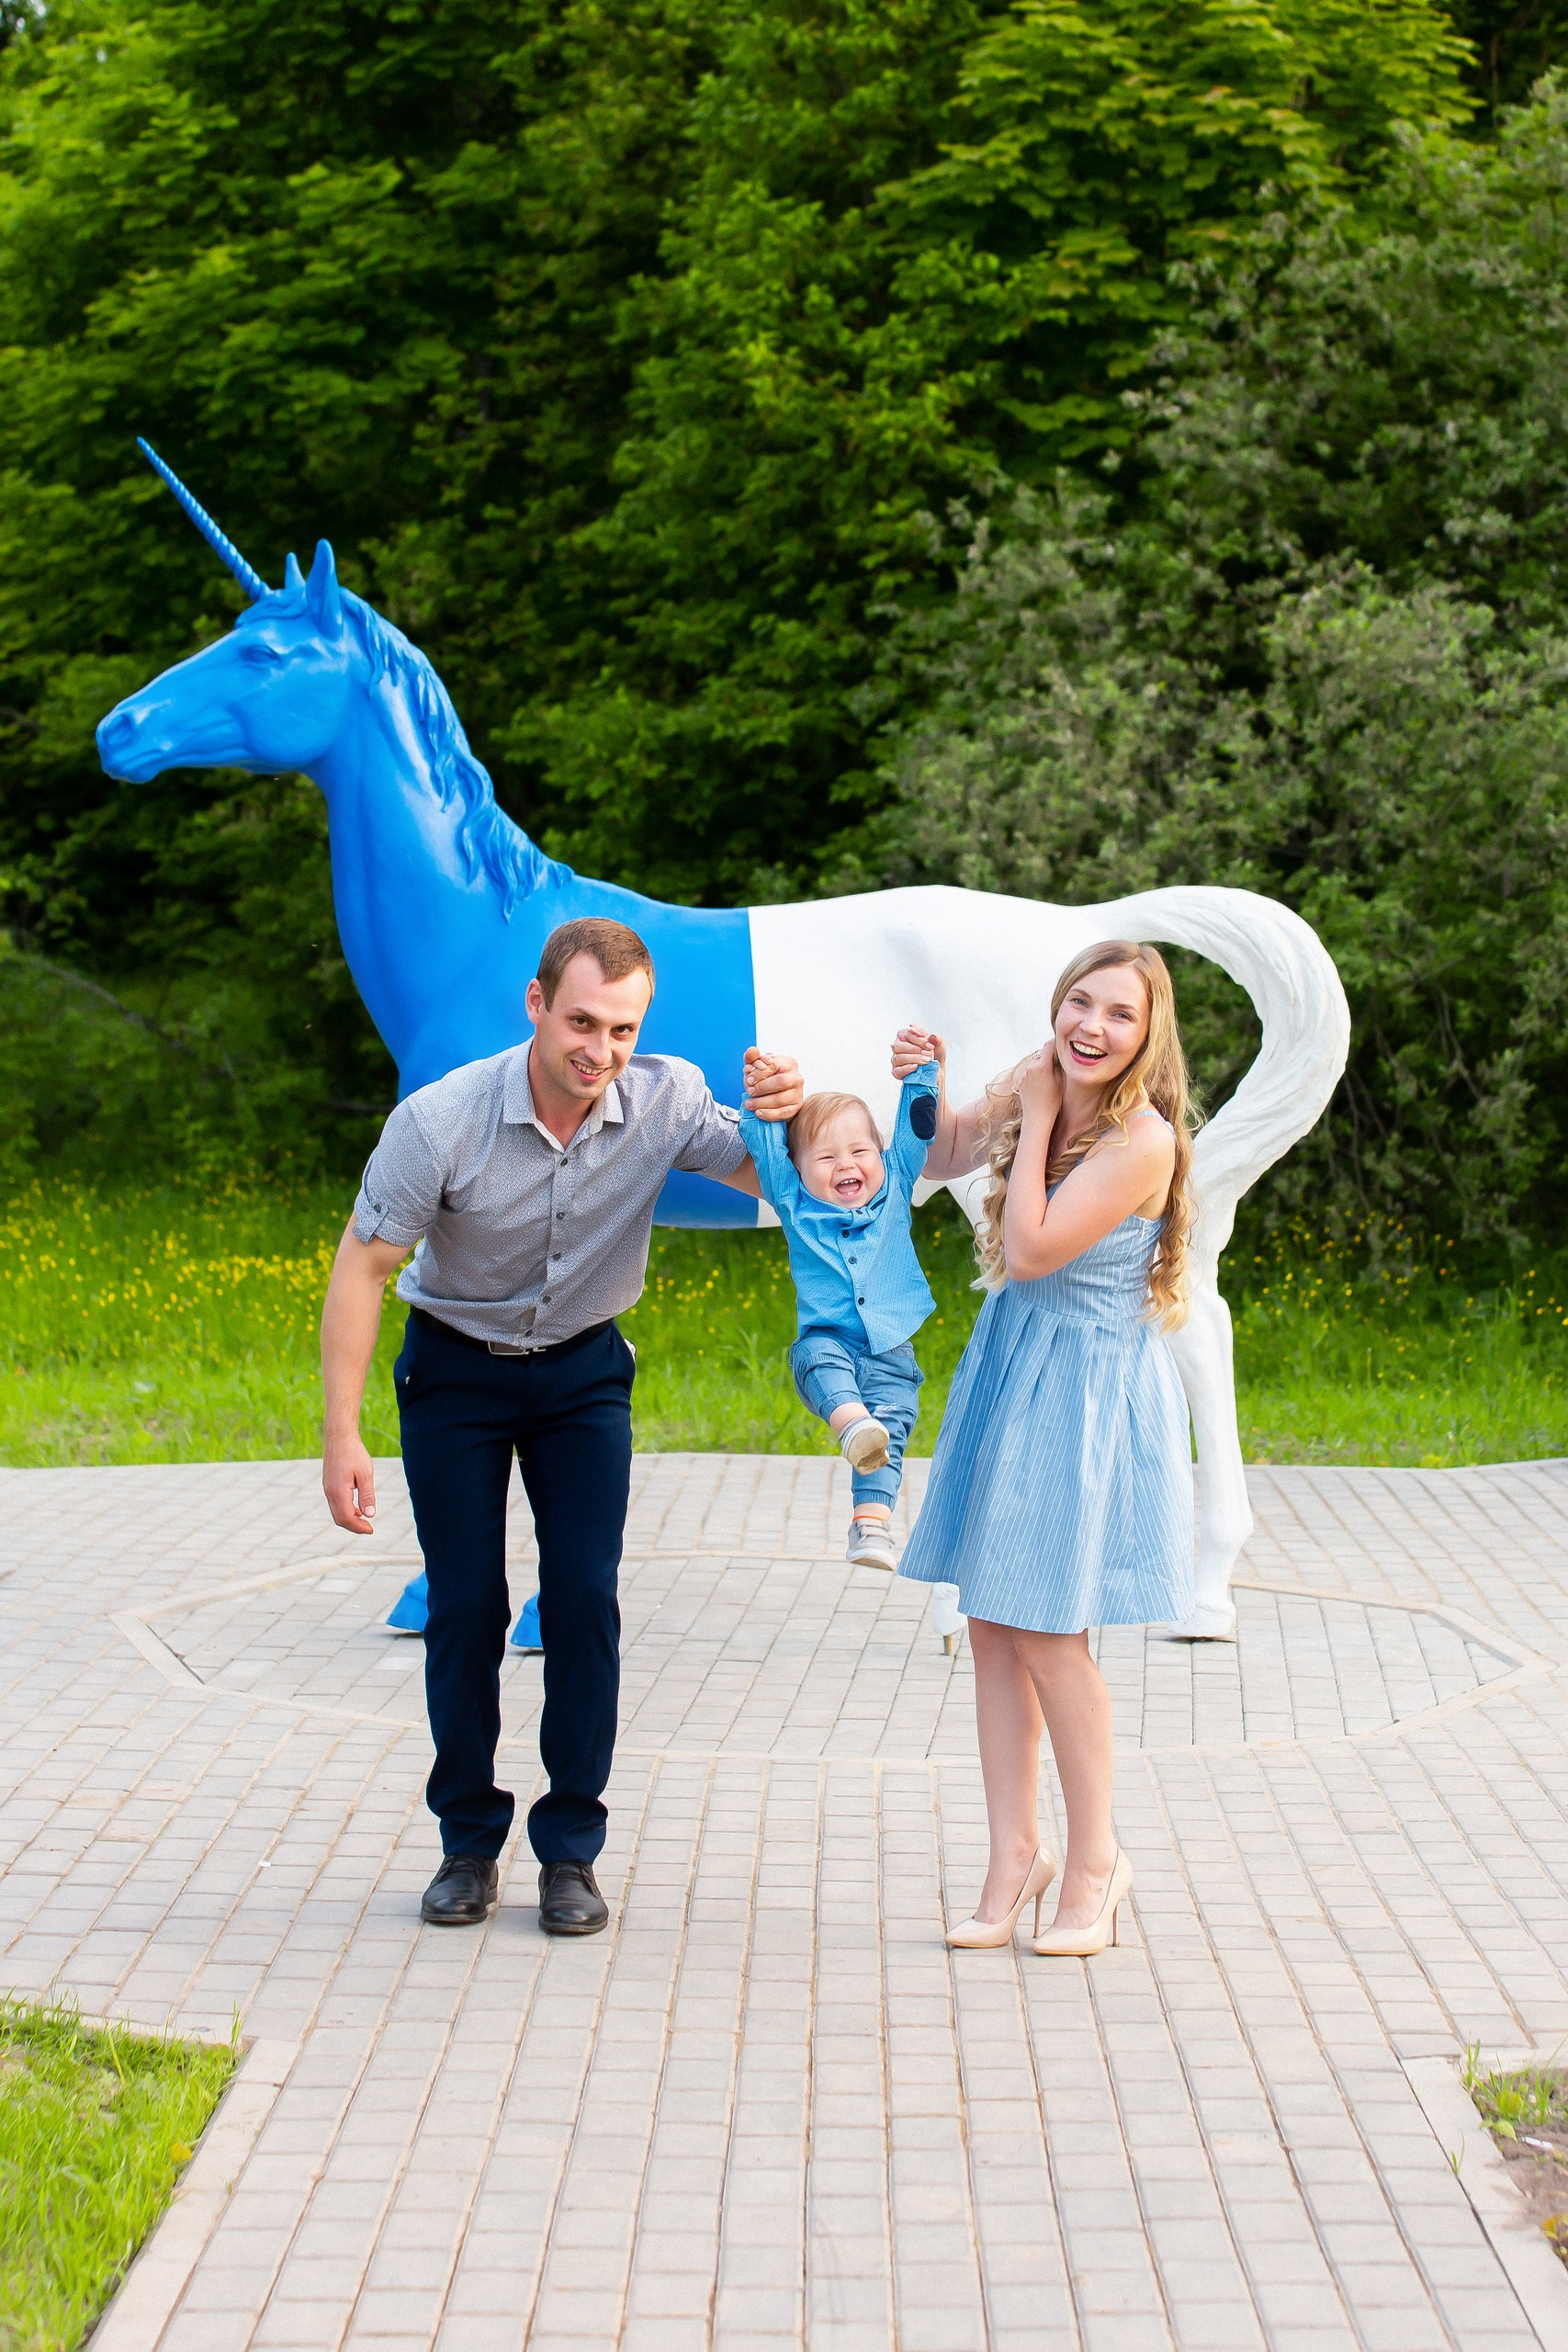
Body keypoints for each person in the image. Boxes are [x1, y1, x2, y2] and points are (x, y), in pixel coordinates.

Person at [319, 916, 802, 1936]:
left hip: (584, 1374)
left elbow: (777, 1178)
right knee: (466, 1606)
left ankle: (570, 1850)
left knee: (583, 1599)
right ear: (536, 1005)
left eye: (624, 1029)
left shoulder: (663, 1097)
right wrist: (341, 1434)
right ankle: (466, 1841)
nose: (602, 1050)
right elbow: (363, 1266)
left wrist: (787, 1120)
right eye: (583, 1021)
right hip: (454, 1371)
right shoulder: (441, 1119)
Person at [896, 941, 1196, 1958]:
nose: (1092, 1028)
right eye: (1081, 1003)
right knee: (990, 1624)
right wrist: (925, 1088)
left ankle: (1098, 1861)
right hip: (1015, 1364)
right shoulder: (1038, 1079)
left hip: (1084, 1393)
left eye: (1120, 1014)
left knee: (1051, 1634)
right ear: (1058, 1004)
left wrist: (1030, 1117)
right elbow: (938, 1157)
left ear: (1147, 1036)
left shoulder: (1142, 1140)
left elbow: (1028, 1246)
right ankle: (1013, 1852)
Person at [740, 1059, 940, 1570]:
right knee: (818, 1363)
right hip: (827, 1340)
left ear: (881, 1154)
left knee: (891, 1430)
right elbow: (765, 1148)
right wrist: (763, 1095)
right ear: (800, 1170)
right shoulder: (793, 1200)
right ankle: (850, 1421)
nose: (845, 1164)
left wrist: (922, 1072)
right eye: (825, 1156)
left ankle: (870, 1528)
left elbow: (918, 1127)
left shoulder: (895, 1185)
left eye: (859, 1151)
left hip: (892, 1350)